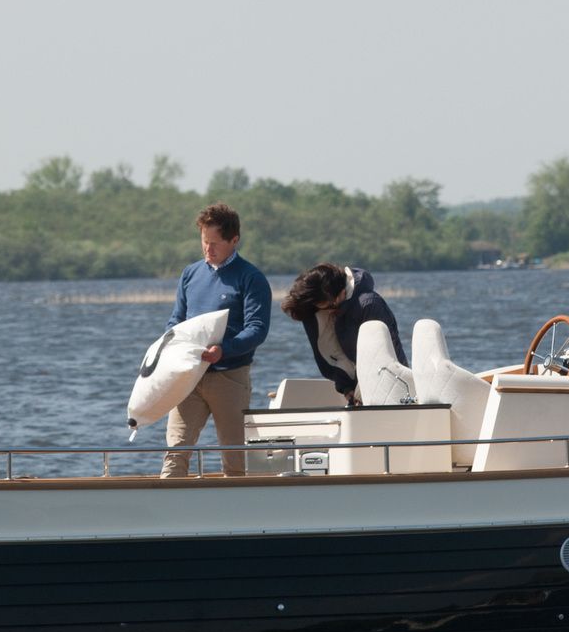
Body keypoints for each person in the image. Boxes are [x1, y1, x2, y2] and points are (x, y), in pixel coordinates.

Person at [163, 203, 270, 478]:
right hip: (190, 377)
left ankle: (236, 515)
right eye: (204, 242)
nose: (207, 249)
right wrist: (169, 346)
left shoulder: (251, 278)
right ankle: (166, 511)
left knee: (234, 457)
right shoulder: (190, 274)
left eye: (214, 243)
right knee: (175, 450)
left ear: (234, 240)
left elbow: (257, 329)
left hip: (231, 378)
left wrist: (224, 350)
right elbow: (176, 321)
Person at [281, 262, 405, 406]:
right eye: (324, 307)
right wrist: (346, 388)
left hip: (390, 389)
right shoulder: (313, 311)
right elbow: (333, 357)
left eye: (331, 306)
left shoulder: (369, 304)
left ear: (341, 292)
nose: (330, 311)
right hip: (356, 394)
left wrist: (363, 390)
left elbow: (386, 358)